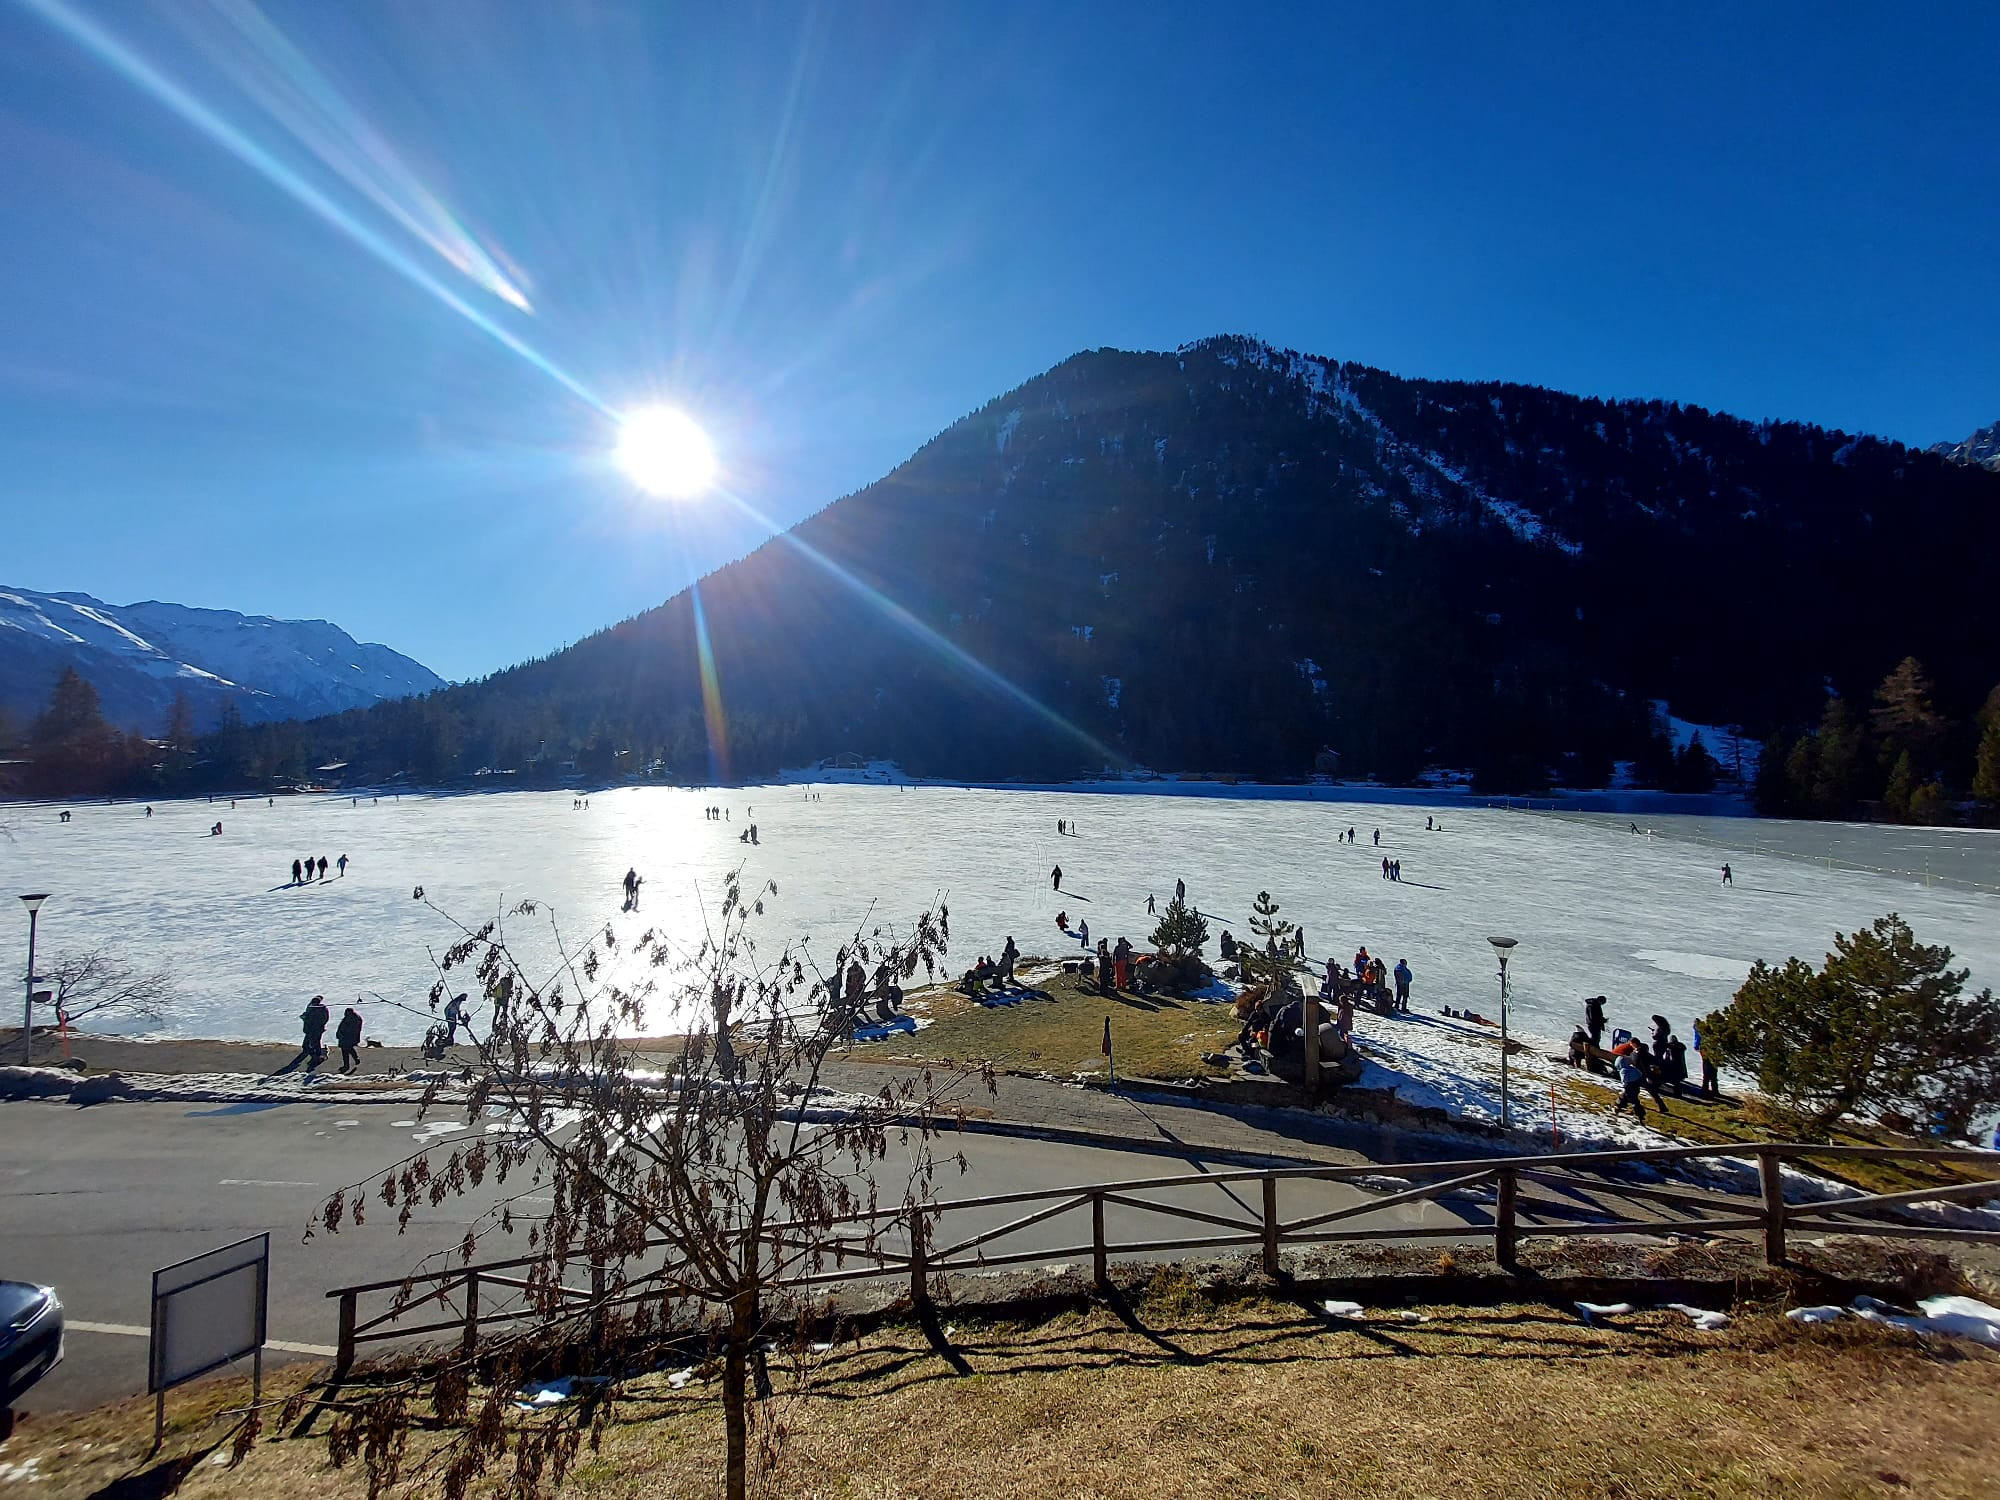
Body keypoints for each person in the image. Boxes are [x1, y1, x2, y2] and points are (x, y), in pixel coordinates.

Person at [300, 995, 330, 1067]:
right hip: (313, 1029)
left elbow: (311, 1019)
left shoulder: (318, 1010)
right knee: (312, 1043)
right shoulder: (317, 1008)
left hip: (315, 1029)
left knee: (315, 1043)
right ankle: (315, 1054)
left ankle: (318, 1056)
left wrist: (305, 1018)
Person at [335, 1006, 364, 1074]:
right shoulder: (355, 1018)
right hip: (349, 1037)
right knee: (349, 1049)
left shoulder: (351, 1019)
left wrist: (341, 1034)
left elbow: (348, 1029)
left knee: (345, 1051)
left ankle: (346, 1065)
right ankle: (355, 1059)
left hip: (347, 1037)